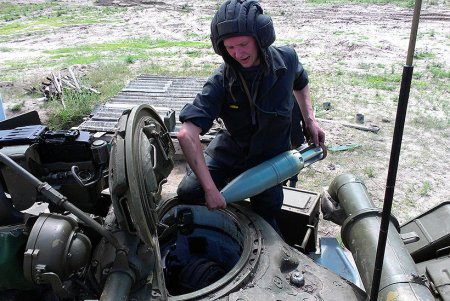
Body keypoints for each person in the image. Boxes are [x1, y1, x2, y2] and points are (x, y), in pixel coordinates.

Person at [176, 0, 325, 229]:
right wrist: (210, 189)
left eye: (243, 44)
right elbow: (186, 134)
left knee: (268, 213)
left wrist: (310, 120)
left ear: (261, 38)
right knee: (189, 192)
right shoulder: (221, 81)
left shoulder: (287, 59)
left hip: (270, 157)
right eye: (230, 47)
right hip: (232, 150)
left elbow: (301, 82)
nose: (237, 53)